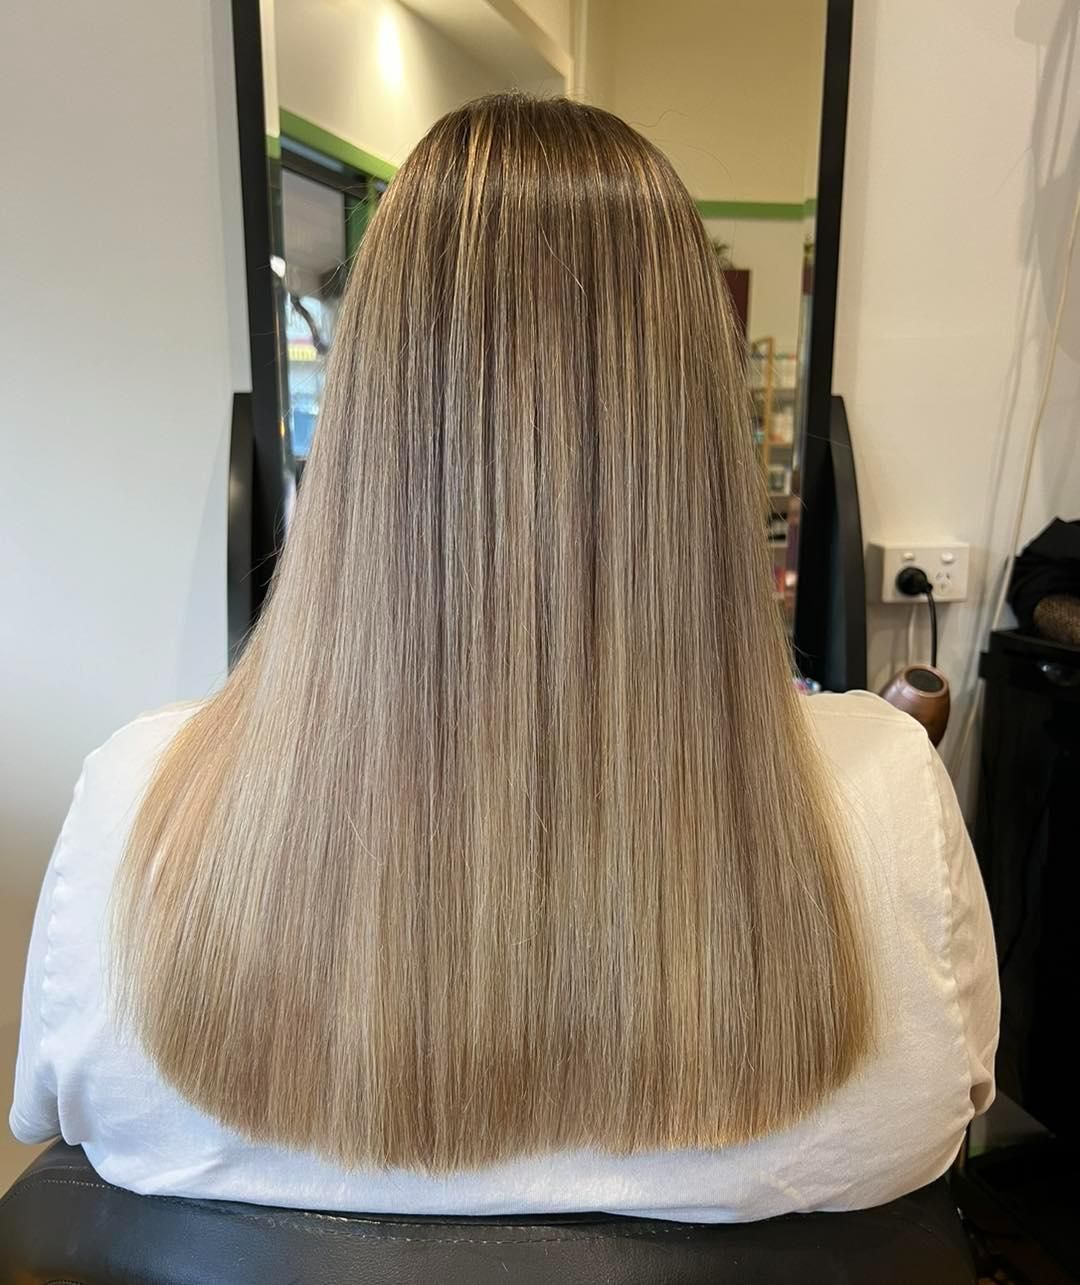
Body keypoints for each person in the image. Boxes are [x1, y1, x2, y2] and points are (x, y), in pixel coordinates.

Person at [10, 94, 997, 1221]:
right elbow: (950, 1106)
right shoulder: (888, 798)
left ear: (367, 412)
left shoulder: (137, 797)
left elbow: (54, 1116)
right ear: (698, 430)